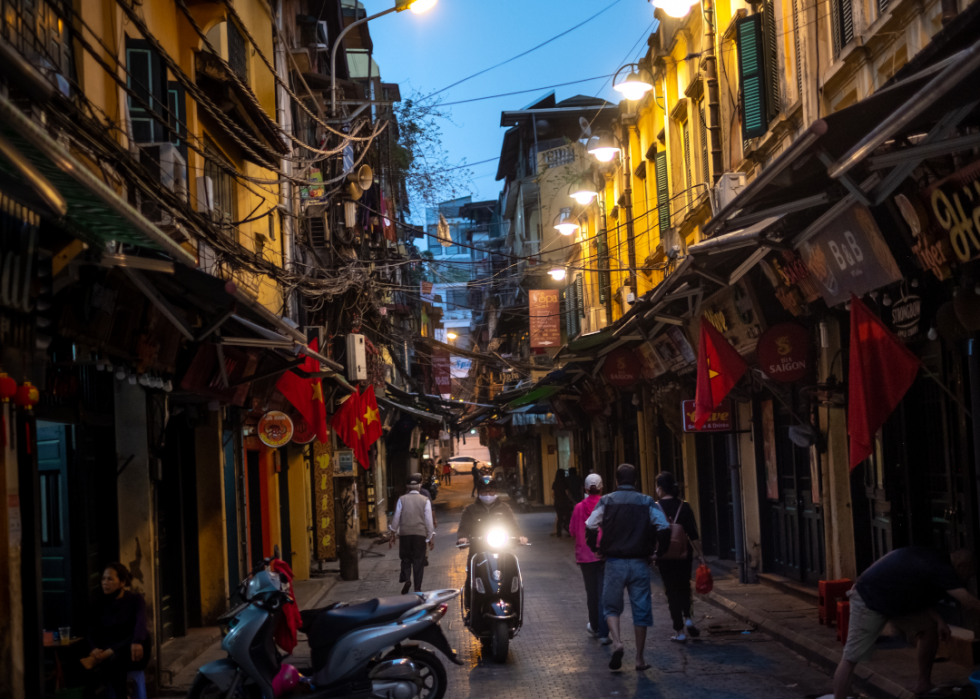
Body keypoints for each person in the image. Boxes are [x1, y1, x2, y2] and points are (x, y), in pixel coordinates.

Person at [833, 547, 980, 699]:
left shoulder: (937, 560)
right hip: (868, 599)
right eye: (969, 574)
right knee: (851, 657)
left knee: (929, 627)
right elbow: (968, 601)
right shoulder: (941, 568)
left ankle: (923, 684)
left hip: (894, 601)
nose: (968, 579)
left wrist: (939, 620)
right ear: (961, 565)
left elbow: (917, 593)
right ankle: (839, 696)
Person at [586, 464, 670, 672]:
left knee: (611, 607)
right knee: (641, 610)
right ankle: (640, 659)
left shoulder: (606, 501)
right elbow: (664, 527)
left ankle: (617, 642)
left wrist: (594, 547)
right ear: (635, 481)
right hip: (640, 564)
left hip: (614, 562)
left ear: (615, 481)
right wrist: (659, 553)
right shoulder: (647, 501)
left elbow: (590, 525)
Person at [457, 476, 527, 614]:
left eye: (491, 491)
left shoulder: (504, 508)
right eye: (484, 491)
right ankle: (470, 605)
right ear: (478, 492)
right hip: (479, 551)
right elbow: (463, 527)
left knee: (512, 575)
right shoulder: (470, 510)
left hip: (503, 550)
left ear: (495, 491)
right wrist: (462, 538)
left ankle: (514, 604)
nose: (488, 495)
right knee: (472, 576)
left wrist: (520, 536)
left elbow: (513, 525)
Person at [82, 562, 150, 699]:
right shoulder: (99, 604)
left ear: (122, 582)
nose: (105, 583)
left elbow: (141, 623)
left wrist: (137, 641)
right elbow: (92, 632)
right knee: (111, 661)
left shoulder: (135, 600)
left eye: (110, 579)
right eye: (103, 579)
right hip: (109, 655)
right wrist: (94, 648)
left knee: (122, 650)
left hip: (133, 651)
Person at [654, 471, 705, 643]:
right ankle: (689, 618)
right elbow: (693, 535)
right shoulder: (685, 506)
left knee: (671, 592)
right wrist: (701, 555)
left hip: (664, 556)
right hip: (684, 555)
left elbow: (651, 534)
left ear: (660, 488)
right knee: (684, 587)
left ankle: (679, 631)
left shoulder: (655, 508)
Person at [570, 473, 610, 644]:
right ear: (602, 488)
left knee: (591, 593)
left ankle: (595, 625)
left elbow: (572, 531)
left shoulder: (579, 507)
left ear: (585, 489)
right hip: (604, 554)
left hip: (586, 557)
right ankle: (604, 630)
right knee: (603, 593)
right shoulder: (607, 505)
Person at [389, 473, 436, 594]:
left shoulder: (402, 499)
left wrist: (393, 532)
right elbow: (428, 520)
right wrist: (430, 536)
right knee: (418, 560)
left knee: (405, 558)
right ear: (420, 486)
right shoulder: (425, 500)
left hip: (405, 534)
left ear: (407, 486)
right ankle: (417, 588)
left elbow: (396, 517)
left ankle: (406, 580)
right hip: (419, 535)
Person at [552, 469, 573, 537]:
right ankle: (568, 530)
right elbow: (567, 493)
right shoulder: (565, 482)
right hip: (564, 502)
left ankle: (559, 532)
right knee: (567, 516)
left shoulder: (555, 483)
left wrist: (556, 498)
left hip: (557, 502)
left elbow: (552, 494)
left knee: (560, 517)